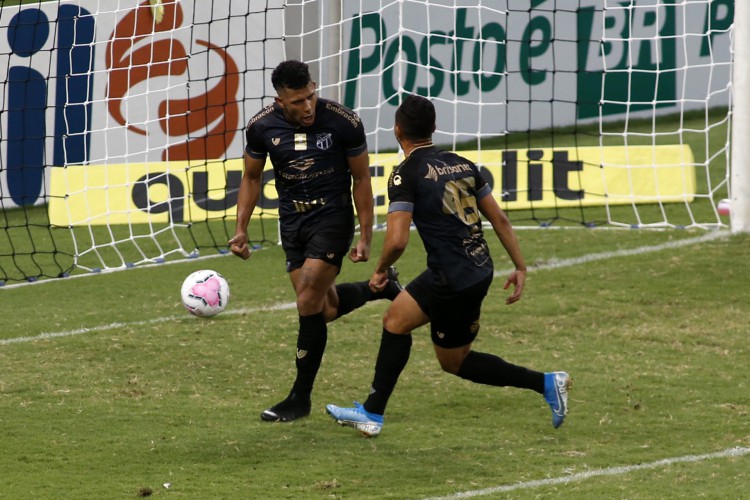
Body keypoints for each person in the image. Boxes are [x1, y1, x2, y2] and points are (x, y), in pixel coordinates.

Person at [325, 94, 571, 437]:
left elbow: (396, 240)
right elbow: (498, 217)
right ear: (434, 128)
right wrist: (520, 266)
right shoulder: (462, 163)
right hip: (476, 268)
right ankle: (546, 383)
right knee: (428, 343)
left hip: (452, 278)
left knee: (423, 340)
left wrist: (380, 269)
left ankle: (372, 413)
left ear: (398, 132)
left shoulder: (404, 174)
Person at [229, 60, 402, 423]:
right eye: (297, 102)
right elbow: (250, 178)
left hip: (332, 218)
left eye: (310, 96)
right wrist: (241, 227)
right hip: (292, 221)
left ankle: (299, 398)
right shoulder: (261, 127)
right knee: (322, 309)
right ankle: (381, 288)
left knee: (307, 295)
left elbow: (361, 180)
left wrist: (367, 234)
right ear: (280, 101)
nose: (307, 107)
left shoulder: (343, 120)